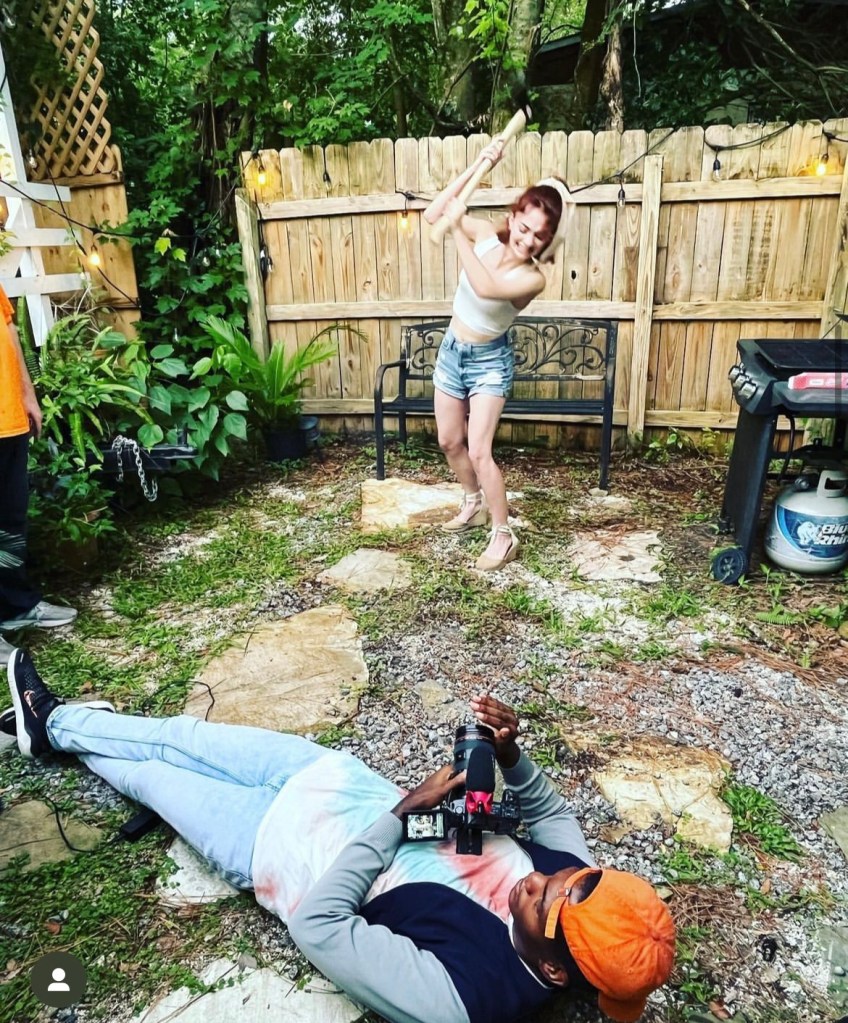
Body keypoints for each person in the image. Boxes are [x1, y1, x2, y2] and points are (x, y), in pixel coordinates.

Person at [4, 646, 675, 1023]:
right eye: (569, 873)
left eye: (541, 898)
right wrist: (509, 755)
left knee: (149, 775)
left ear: (555, 968)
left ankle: (49, 728)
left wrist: (400, 814)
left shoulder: (466, 995)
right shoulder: (579, 886)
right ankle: (54, 722)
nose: (540, 876)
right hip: (334, 779)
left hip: (272, 844)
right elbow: (553, 817)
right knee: (185, 735)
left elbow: (320, 927)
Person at [423, 145, 571, 571]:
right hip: (453, 351)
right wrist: (479, 164)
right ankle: (472, 504)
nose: (527, 239)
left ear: (547, 242)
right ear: (513, 217)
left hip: (489, 362)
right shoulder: (486, 233)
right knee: (449, 441)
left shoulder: (531, 278)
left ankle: (503, 536)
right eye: (523, 227)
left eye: (538, 236)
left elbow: (485, 286)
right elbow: (437, 211)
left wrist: (454, 230)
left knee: (479, 450)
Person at [0, 283, 77, 666]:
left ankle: (16, 605)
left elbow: (8, 329)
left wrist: (27, 394)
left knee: (10, 523)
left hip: (8, 416)